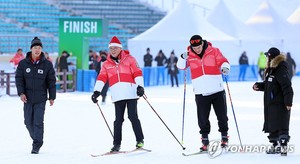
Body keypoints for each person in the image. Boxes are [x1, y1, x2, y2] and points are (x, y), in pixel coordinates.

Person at [177, 34, 230, 152]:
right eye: (194, 48)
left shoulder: (214, 51)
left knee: (222, 116)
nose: (197, 49)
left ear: (202, 43)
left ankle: (224, 137)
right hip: (200, 92)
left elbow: (223, 61)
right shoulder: (189, 55)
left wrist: (225, 67)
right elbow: (181, 66)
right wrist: (182, 57)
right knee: (202, 119)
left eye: (199, 47)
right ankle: (205, 141)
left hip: (217, 90)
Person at [91, 36, 145, 152]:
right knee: (118, 120)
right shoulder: (106, 64)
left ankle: (140, 140)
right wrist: (97, 91)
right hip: (117, 95)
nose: (113, 50)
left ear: (120, 48)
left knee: (133, 116)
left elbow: (137, 72)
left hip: (131, 94)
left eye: (115, 48)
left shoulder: (130, 59)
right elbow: (101, 77)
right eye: (111, 48)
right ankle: (116, 144)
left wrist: (140, 86)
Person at [15, 37, 56, 154]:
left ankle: (36, 144)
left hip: (41, 98)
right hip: (27, 98)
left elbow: (51, 81)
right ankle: (37, 139)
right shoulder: (23, 64)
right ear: (31, 49)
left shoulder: (47, 64)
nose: (37, 50)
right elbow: (19, 79)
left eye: (39, 48)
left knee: (38, 122)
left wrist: (52, 97)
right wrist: (21, 93)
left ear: (41, 49)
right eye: (35, 48)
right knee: (28, 122)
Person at [252, 47, 293, 156]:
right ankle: (275, 145)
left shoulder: (280, 68)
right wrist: (259, 86)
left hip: (280, 103)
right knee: (272, 124)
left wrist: (288, 102)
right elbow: (269, 84)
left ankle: (283, 146)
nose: (266, 58)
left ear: (271, 57)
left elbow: (287, 86)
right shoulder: (272, 69)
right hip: (271, 103)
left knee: (281, 124)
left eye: (267, 56)